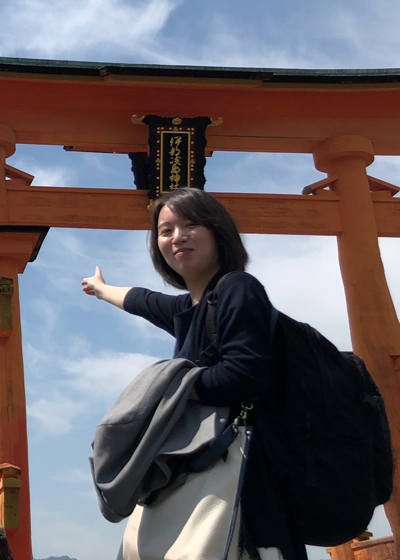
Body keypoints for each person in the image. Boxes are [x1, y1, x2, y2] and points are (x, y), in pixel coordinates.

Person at [82, 188, 307, 560]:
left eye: (190, 225)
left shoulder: (238, 289)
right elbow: (141, 300)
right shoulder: (187, 308)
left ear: (218, 231)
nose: (177, 237)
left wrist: (166, 391)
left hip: (243, 480)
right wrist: (102, 289)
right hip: (195, 472)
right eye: (165, 230)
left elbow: (243, 375)